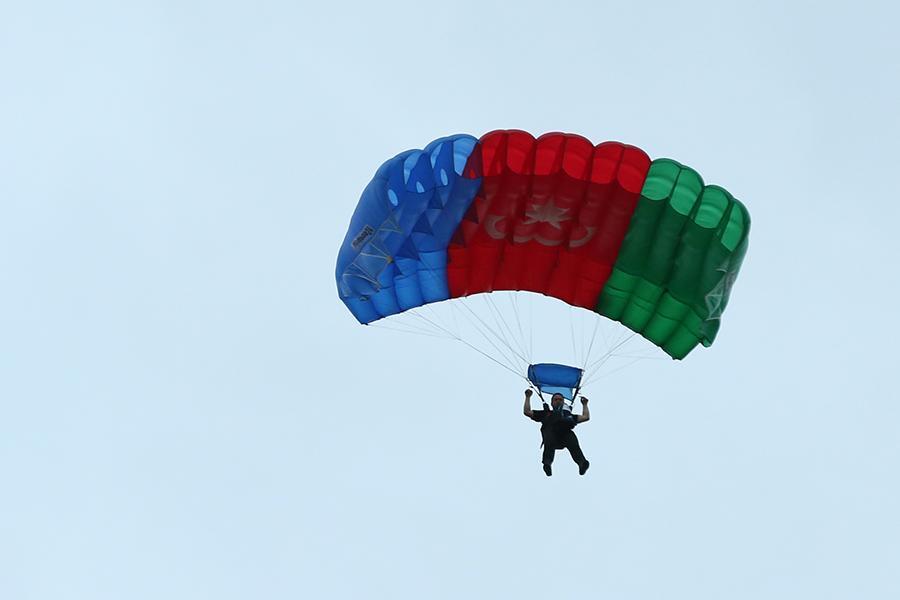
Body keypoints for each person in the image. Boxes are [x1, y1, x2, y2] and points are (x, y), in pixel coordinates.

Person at [523, 389, 590, 476]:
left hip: (565, 437)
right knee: (549, 436)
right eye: (556, 399)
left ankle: (582, 463)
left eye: (560, 400)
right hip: (551, 438)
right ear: (552, 403)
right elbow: (527, 412)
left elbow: (585, 417)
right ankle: (547, 464)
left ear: (563, 402)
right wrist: (528, 397)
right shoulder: (546, 414)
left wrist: (585, 404)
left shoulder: (568, 416)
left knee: (572, 439)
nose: (558, 401)